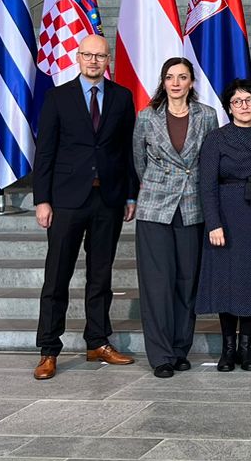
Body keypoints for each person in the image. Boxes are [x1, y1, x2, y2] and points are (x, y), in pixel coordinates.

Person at [31, 33, 138, 380]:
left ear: (108, 60)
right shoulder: (58, 97)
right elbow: (45, 152)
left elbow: (127, 150)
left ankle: (98, 342)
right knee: (56, 277)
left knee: (101, 276)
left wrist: (130, 195)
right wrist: (42, 200)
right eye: (88, 55)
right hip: (66, 201)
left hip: (108, 199)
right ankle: (49, 350)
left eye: (100, 56)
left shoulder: (122, 97)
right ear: (77, 58)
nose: (94, 61)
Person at [132, 57, 217, 378]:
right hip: (155, 208)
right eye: (170, 77)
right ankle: (161, 355)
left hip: (193, 208)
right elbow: (139, 161)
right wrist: (159, 185)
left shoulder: (207, 115)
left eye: (182, 77)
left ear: (192, 82)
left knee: (187, 282)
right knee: (157, 285)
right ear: (163, 82)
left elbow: (211, 161)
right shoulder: (146, 116)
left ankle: (180, 349)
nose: (176, 83)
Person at [198, 78, 251, 371]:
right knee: (226, 280)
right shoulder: (216, 139)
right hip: (226, 215)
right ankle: (228, 349)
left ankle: (246, 348)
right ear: (229, 107)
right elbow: (207, 184)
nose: (244, 106)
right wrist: (213, 223)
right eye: (237, 101)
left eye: (250, 100)